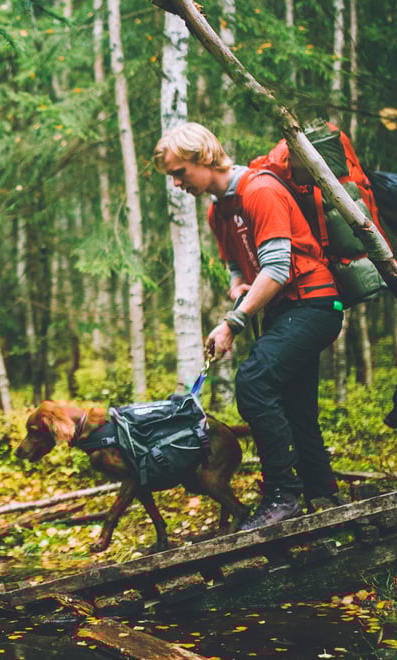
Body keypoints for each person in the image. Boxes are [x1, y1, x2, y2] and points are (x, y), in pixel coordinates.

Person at [153, 122, 344, 529]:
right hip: (282, 311)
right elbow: (239, 266)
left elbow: (277, 268)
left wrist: (232, 324)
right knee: (296, 407)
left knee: (254, 382)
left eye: (179, 173)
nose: (176, 183)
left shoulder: (261, 190)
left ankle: (281, 494)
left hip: (314, 304)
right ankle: (323, 491)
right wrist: (238, 286)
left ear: (203, 158)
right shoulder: (218, 210)